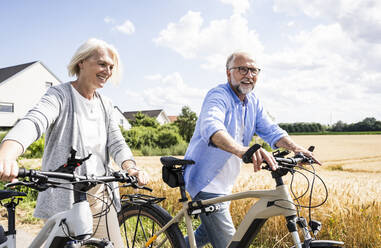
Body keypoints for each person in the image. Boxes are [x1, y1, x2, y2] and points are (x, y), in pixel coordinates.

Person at [0, 38, 149, 247]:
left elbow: (117, 142)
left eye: (111, 67)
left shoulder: (105, 104)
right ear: (82, 62)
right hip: (65, 193)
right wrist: (7, 154)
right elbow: (35, 121)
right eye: (102, 64)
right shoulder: (60, 95)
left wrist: (130, 167)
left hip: (100, 194)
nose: (107, 70)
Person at [183, 51, 320, 248]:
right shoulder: (218, 95)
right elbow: (211, 127)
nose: (249, 75)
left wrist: (297, 149)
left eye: (254, 70)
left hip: (224, 187)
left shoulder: (253, 102)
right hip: (206, 184)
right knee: (230, 243)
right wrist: (242, 150)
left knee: (204, 235)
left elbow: (272, 130)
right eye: (242, 69)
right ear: (228, 73)